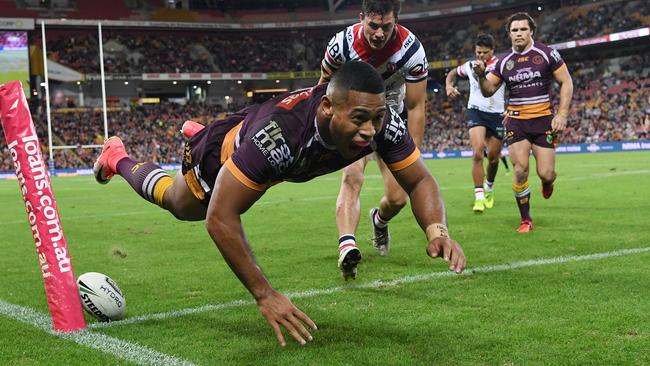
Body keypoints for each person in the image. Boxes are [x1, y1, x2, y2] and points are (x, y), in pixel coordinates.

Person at [93, 61, 466, 347]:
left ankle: (205, 131)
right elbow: (222, 218)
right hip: (224, 155)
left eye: (376, 118)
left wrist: (437, 229)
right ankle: (118, 158)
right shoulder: (280, 136)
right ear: (327, 110)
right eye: (359, 119)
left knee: (254, 167)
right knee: (182, 205)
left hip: (264, 148)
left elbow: (418, 179)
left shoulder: (380, 124)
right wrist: (265, 294)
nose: (370, 130)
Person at [319, 0, 428, 279]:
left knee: (398, 198)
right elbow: (322, 88)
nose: (379, 33)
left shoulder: (412, 51)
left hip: (391, 117)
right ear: (361, 19)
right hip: (353, 118)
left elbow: (416, 106)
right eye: (373, 26)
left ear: (397, 22)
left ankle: (379, 221)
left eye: (386, 26)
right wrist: (324, 129)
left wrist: (412, 150)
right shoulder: (341, 44)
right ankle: (347, 247)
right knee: (352, 177)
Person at [473, 12, 573, 233]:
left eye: (523, 29)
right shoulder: (504, 62)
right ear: (509, 34)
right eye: (514, 30)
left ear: (531, 31)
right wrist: (481, 75)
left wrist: (562, 114)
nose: (519, 34)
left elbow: (566, 81)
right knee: (520, 170)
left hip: (543, 120)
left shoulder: (547, 54)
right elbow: (489, 90)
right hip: (517, 122)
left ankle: (547, 183)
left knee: (546, 173)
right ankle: (526, 219)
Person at [446, 33, 507, 213]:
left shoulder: (500, 65)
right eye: (478, 52)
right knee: (478, 152)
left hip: (496, 113)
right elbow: (452, 73)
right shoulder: (469, 66)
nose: (481, 56)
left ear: (492, 51)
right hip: (476, 110)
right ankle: (479, 197)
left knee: (494, 158)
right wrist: (449, 86)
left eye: (485, 52)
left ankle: (489, 188)